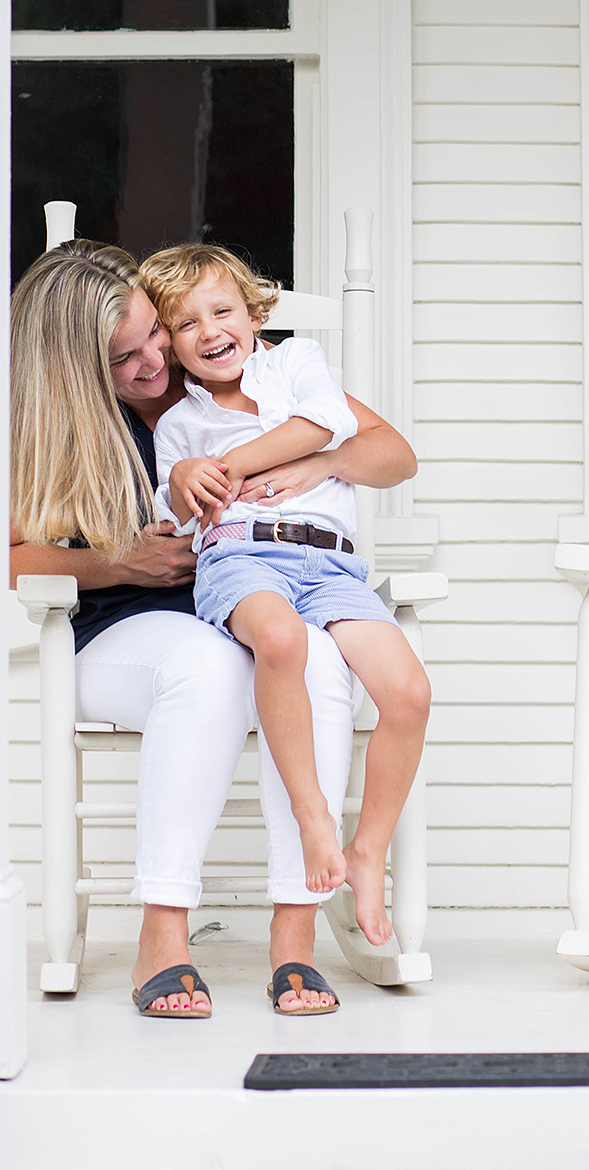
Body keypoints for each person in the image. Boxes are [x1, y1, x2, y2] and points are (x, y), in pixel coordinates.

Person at [10, 240, 417, 1018]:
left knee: (319, 659)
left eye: (153, 335)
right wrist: (118, 563)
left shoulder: (246, 379)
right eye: (123, 357)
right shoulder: (61, 423)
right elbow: (0, 553)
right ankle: (162, 935)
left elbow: (389, 452)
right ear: (77, 366)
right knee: (210, 666)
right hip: (123, 632)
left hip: (257, 602)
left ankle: (296, 934)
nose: (153, 363)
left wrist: (322, 464)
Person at [140, 242, 432, 950]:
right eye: (187, 323)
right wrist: (180, 482)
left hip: (331, 565)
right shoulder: (180, 426)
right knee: (280, 638)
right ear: (171, 343)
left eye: (223, 311)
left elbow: (328, 421)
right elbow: (176, 511)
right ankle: (312, 816)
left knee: (408, 692)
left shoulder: (296, 363)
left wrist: (232, 465)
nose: (211, 332)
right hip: (241, 556)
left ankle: (368, 850)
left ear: (254, 313)